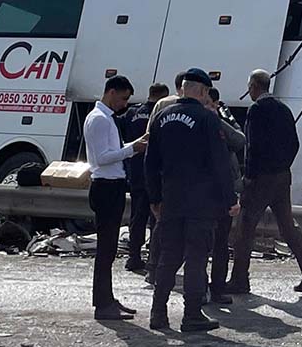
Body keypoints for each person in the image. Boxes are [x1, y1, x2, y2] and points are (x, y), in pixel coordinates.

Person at [145, 68, 238, 332]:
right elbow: (220, 163)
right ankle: (192, 314)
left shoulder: (161, 117)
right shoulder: (207, 119)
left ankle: (158, 313)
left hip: (171, 198)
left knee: (169, 256)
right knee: (197, 257)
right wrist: (230, 198)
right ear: (202, 91)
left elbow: (150, 162)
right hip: (201, 201)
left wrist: (155, 197)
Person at [227, 69, 302, 295]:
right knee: (288, 227)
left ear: (253, 87)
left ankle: (240, 279)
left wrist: (248, 176)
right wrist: (283, 165)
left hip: (260, 178)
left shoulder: (256, 110)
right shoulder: (284, 109)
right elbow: (295, 143)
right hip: (282, 176)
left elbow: (252, 146)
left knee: (245, 228)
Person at [83, 75, 148, 320]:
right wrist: (132, 150)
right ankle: (102, 304)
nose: (124, 104)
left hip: (113, 185)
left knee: (109, 249)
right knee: (106, 249)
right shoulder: (99, 119)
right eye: (122, 98)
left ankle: (107, 298)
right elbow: (102, 157)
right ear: (111, 92)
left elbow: (111, 152)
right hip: (106, 187)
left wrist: (134, 144)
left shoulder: (106, 119)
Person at [203, 86, 245, 305]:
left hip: (213, 192)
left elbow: (238, 139)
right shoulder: (210, 122)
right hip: (212, 192)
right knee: (206, 243)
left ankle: (215, 287)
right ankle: (205, 288)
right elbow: (239, 140)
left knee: (218, 243)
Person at [123, 82, 168, 274]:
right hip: (154, 173)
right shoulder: (161, 115)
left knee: (137, 216)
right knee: (156, 217)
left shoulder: (132, 113)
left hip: (135, 172)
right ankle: (153, 258)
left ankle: (133, 256)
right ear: (163, 97)